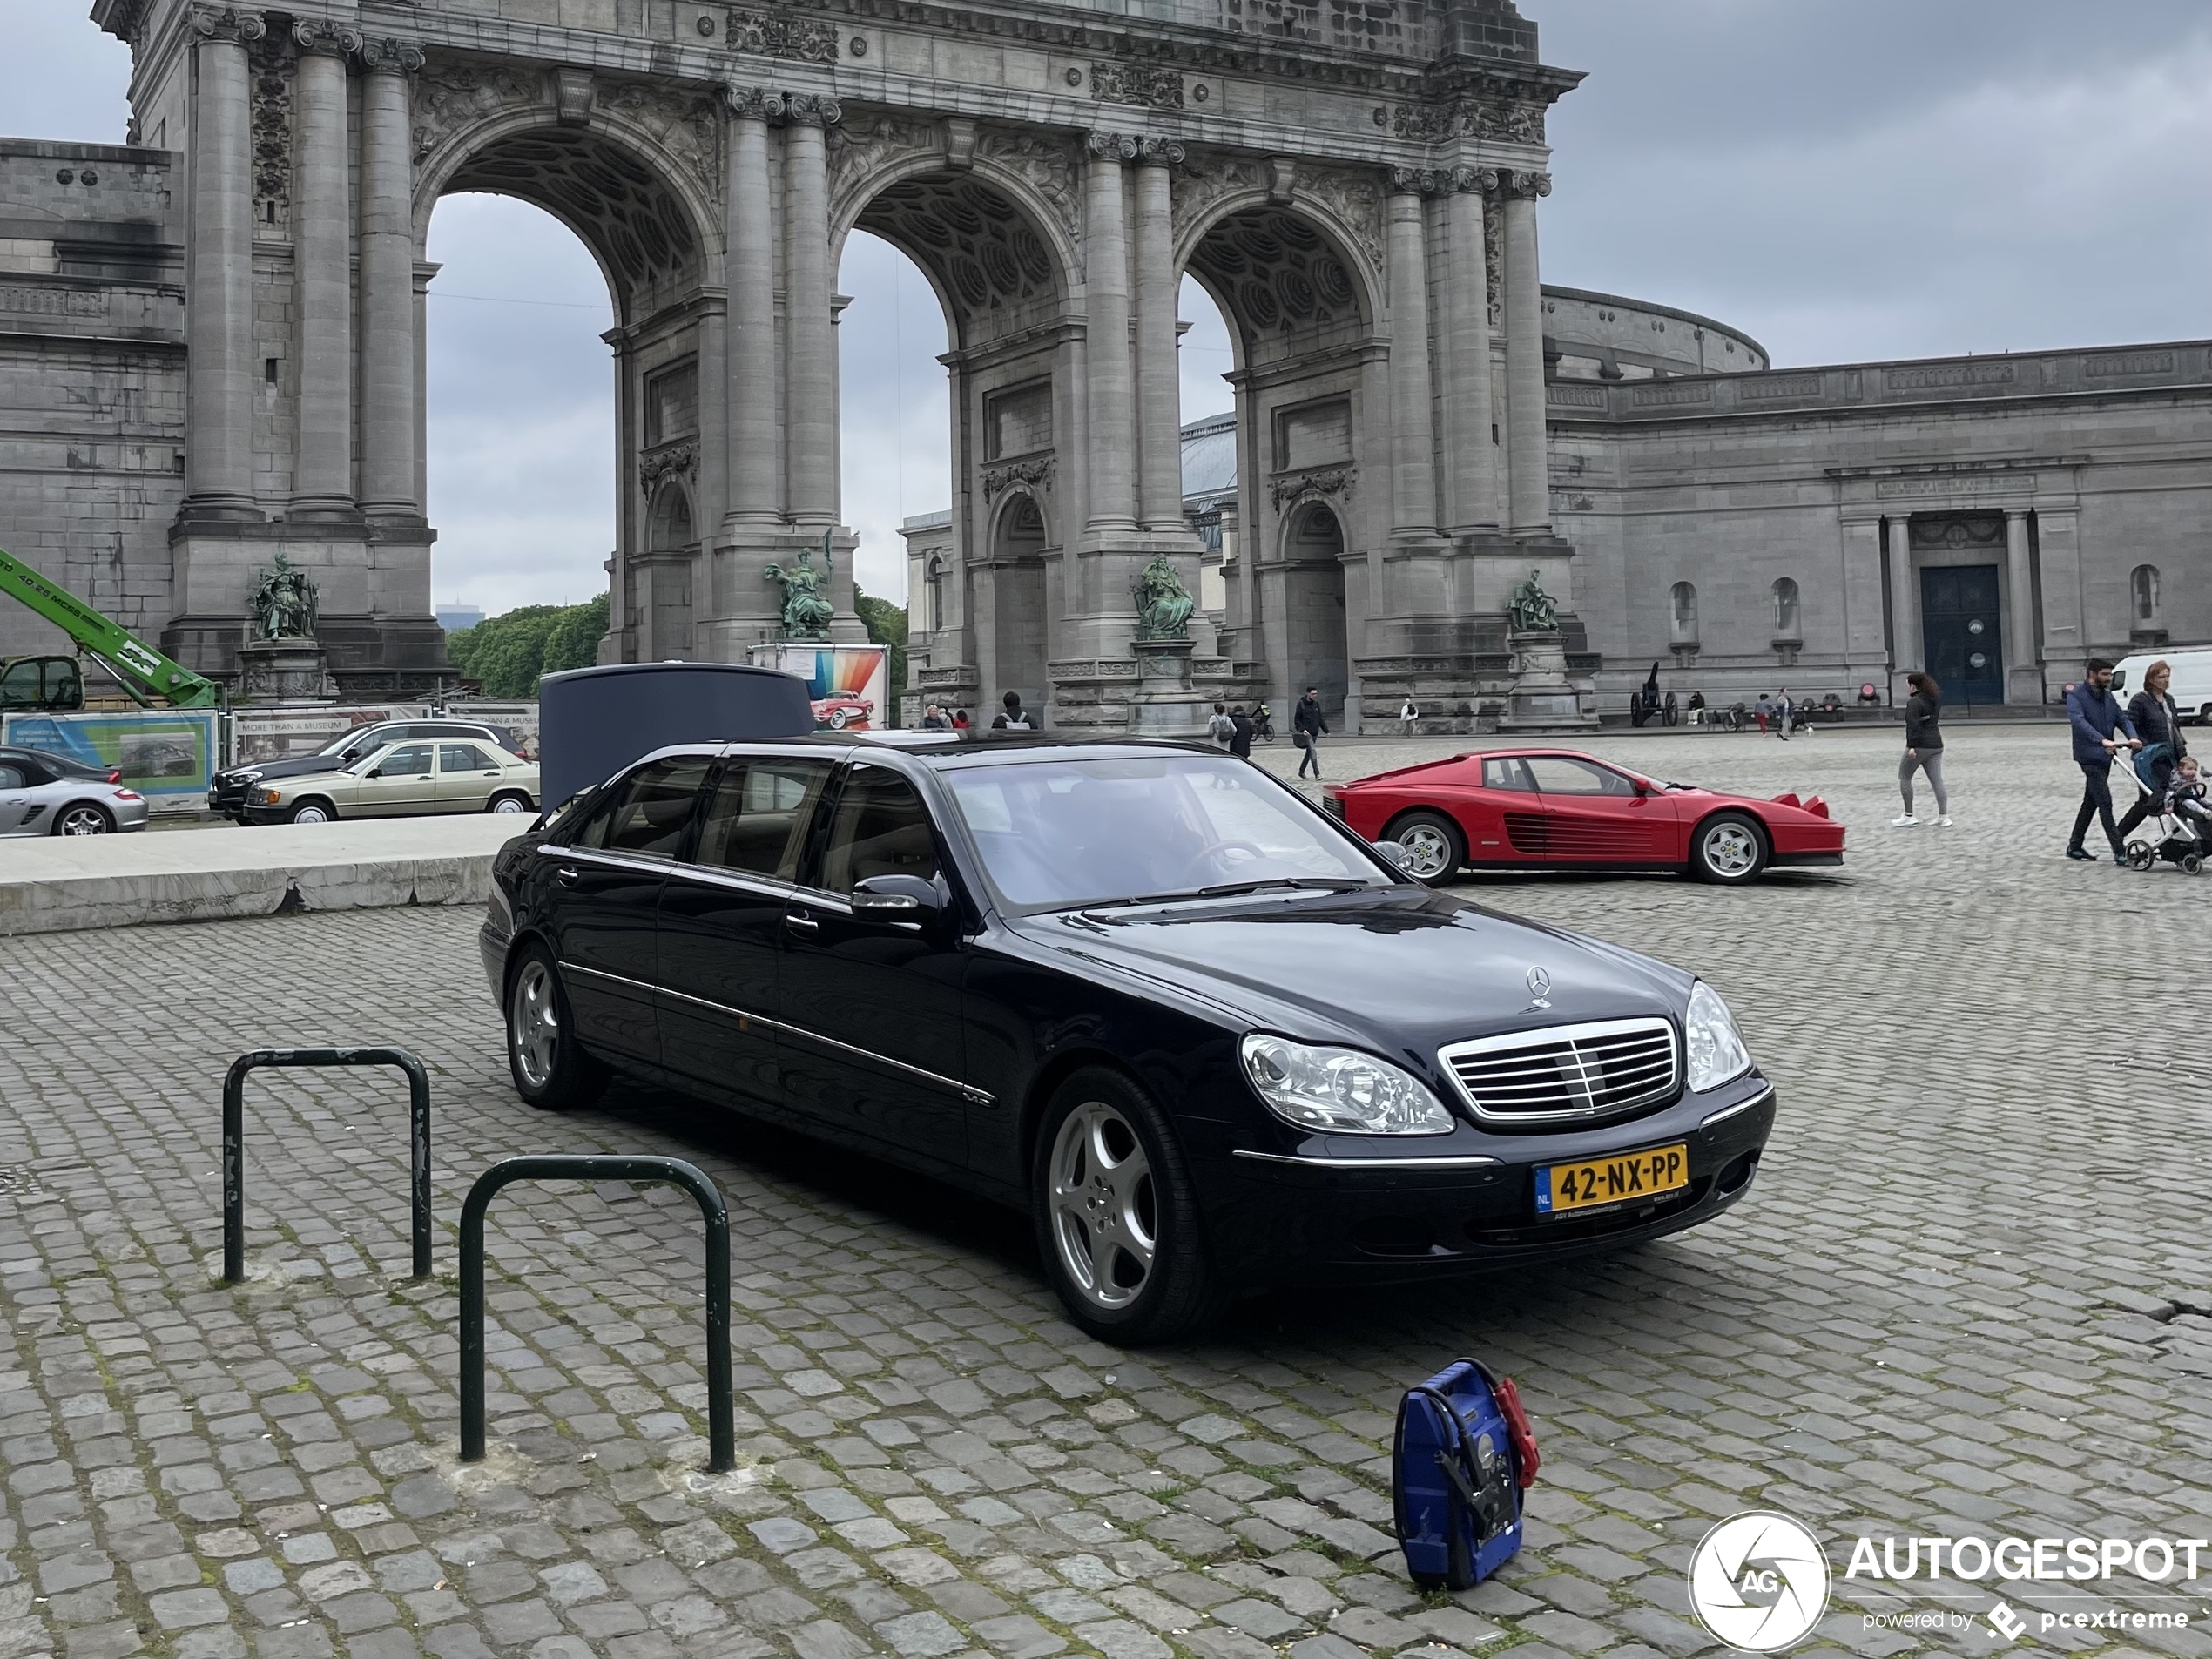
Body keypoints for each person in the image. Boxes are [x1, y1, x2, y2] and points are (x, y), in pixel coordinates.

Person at [2065, 658, 2141, 863]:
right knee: (2105, 802)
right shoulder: (2076, 697)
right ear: (2092, 674)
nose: (2109, 678)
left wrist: (2132, 736)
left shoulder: (2107, 697)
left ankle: (2075, 845)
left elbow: (2122, 718)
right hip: (2089, 756)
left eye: (2110, 674)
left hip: (2106, 756)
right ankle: (2119, 850)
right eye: (2105, 674)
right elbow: (2079, 722)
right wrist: (2101, 740)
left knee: (2090, 802)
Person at [2115, 658, 2188, 846]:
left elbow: (2175, 727)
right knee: (2149, 800)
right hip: (2150, 759)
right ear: (2151, 679)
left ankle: (2179, 839)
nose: (2165, 680)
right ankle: (2117, 835)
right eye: (2161, 677)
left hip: (2171, 756)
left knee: (2177, 795)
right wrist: (2141, 743)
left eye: (2167, 676)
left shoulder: (2169, 700)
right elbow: (2131, 726)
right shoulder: (2141, 700)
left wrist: (2182, 752)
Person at [1893, 671, 1949, 827]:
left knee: (1904, 777)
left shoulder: (1914, 703)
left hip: (1920, 746)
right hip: (1936, 744)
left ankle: (1908, 815)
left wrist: (1912, 746)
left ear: (1913, 686)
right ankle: (1944, 816)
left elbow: (1913, 725)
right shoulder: (1935, 699)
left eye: (1907, 685)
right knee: (1937, 780)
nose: (1907, 689)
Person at [1294, 685, 1327, 779]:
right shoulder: (1301, 704)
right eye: (1312, 694)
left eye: (1315, 694)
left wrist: (1326, 731)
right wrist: (1302, 729)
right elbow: (1297, 719)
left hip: (1314, 732)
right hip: (1306, 733)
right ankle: (1317, 773)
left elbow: (1320, 718)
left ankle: (1301, 771)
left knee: (1309, 752)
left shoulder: (1316, 704)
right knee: (1312, 751)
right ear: (1308, 694)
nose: (1314, 696)